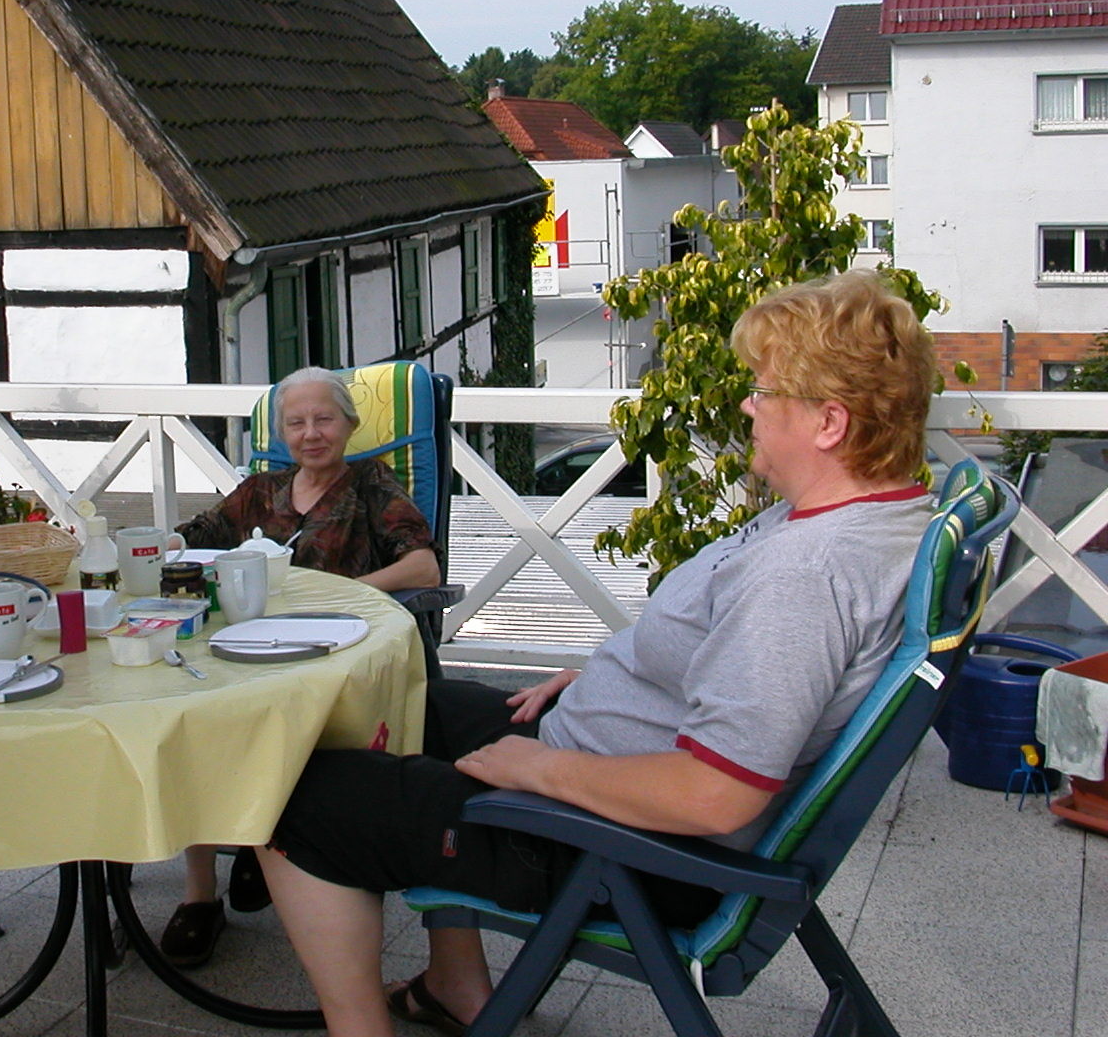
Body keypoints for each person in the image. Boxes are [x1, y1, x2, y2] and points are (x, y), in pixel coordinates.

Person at [255, 271, 940, 1037]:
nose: (748, 404)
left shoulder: (807, 575)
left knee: (293, 792)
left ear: (829, 423)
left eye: (765, 390)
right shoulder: (864, 519)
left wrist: (536, 769)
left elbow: (718, 795)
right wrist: (635, 676)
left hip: (626, 849)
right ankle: (456, 986)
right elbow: (754, 671)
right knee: (404, 706)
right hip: (606, 767)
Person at [159, 366, 443, 967]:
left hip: (330, 661)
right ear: (282, 432)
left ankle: (268, 844)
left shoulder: (372, 486)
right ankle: (200, 894)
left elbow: (423, 570)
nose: (311, 433)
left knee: (260, 735)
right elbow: (189, 541)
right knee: (198, 724)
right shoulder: (261, 492)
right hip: (250, 650)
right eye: (296, 422)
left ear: (349, 424)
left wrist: (344, 595)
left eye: (324, 419)